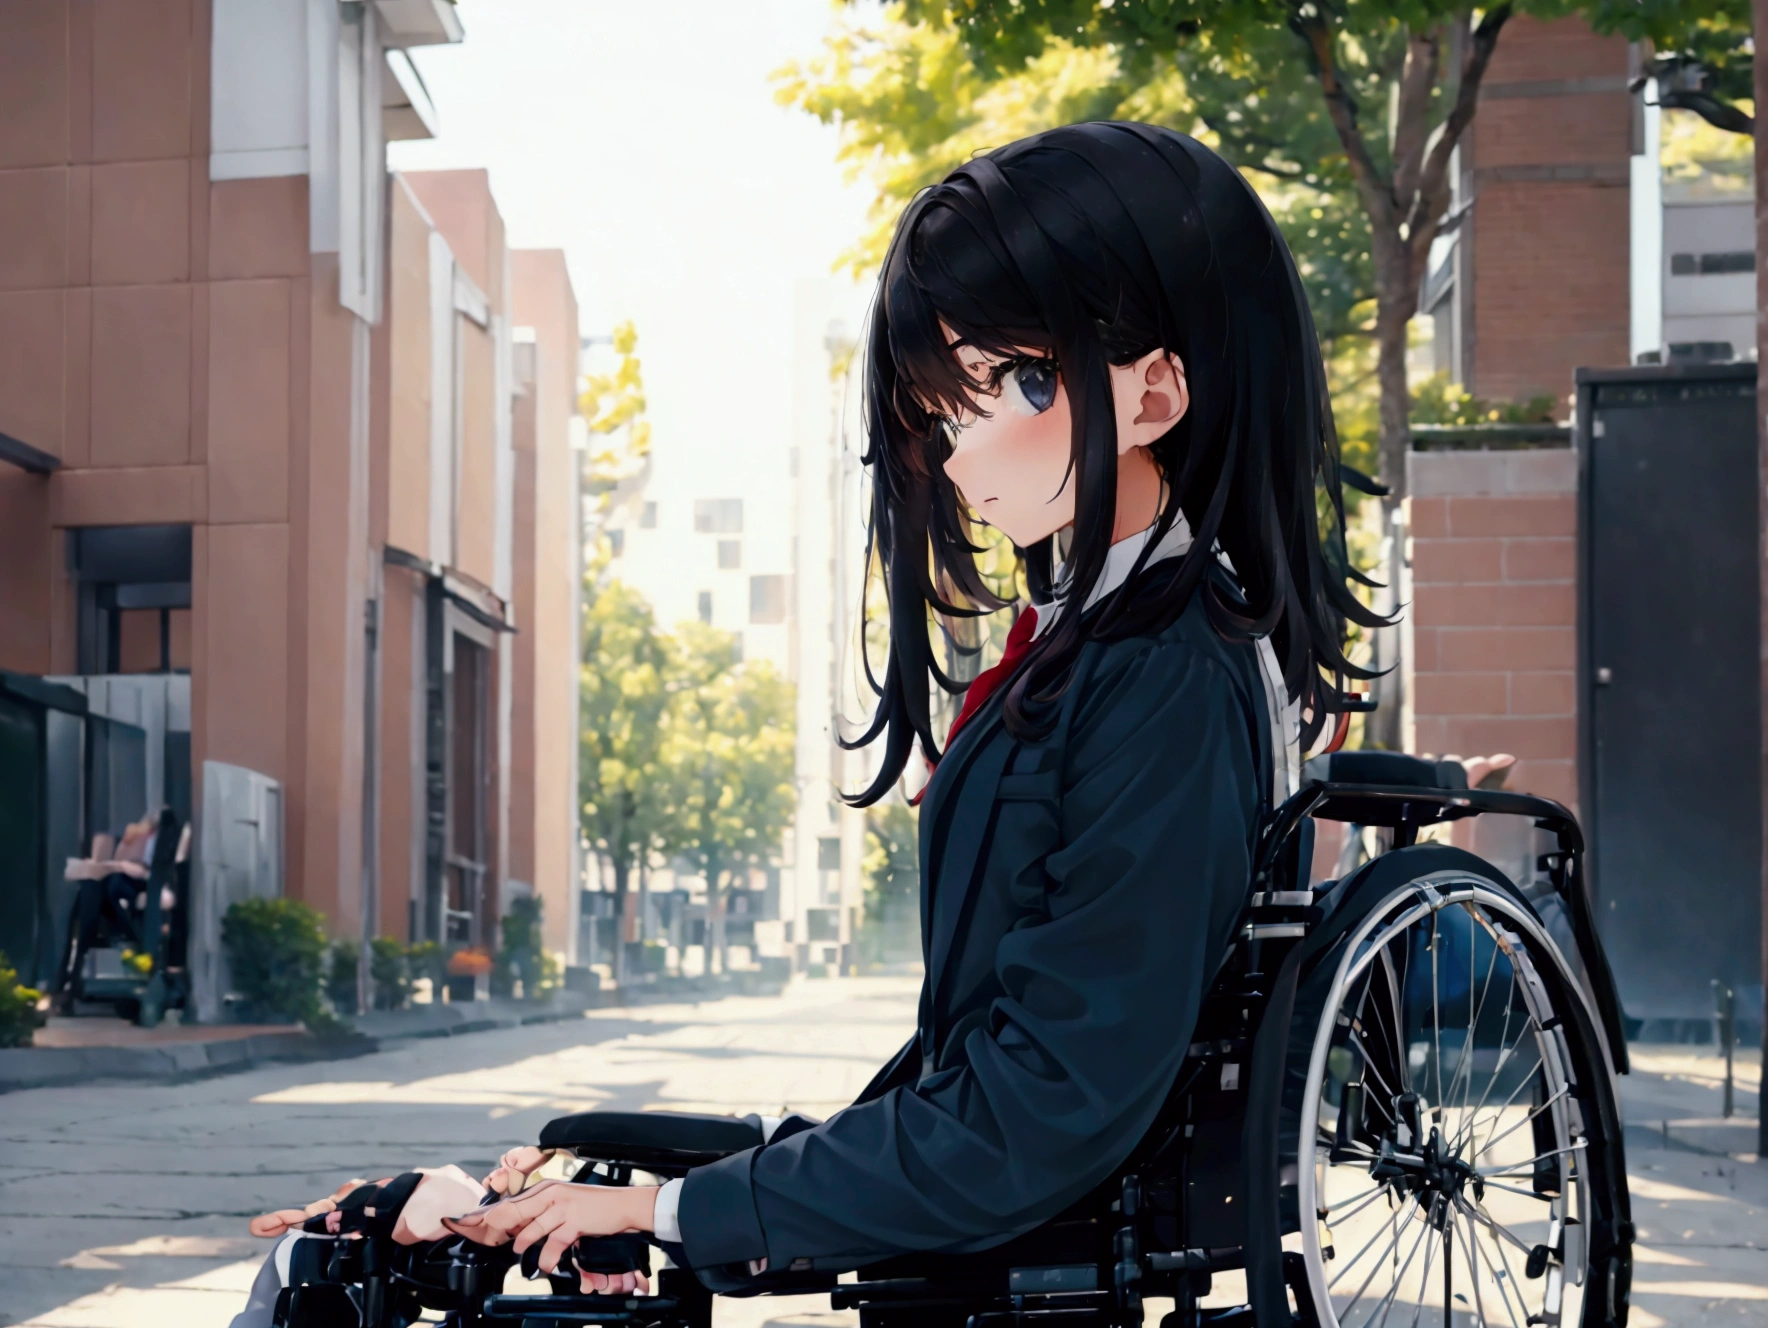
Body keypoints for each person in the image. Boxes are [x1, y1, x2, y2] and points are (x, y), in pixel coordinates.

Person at [241, 120, 1375, 1303]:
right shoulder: (1113, 639)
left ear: (1155, 388)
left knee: (362, 1271)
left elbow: (1045, 1102)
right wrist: (704, 1185)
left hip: (1028, 1206)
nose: (962, 453)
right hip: (995, 1182)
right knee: (422, 1215)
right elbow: (983, 1056)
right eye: (945, 411)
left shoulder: (1165, 670)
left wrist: (680, 1210)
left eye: (1013, 385)